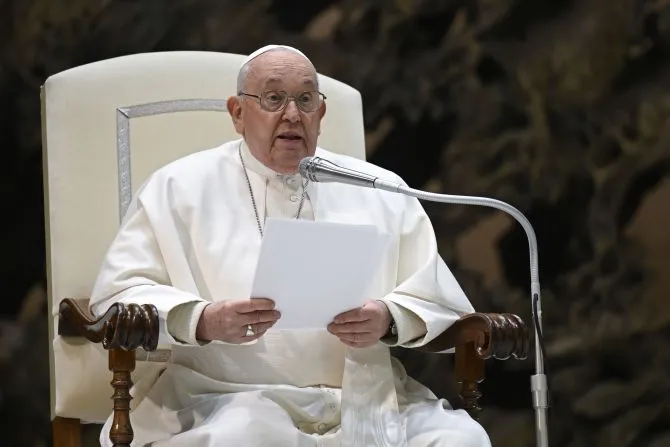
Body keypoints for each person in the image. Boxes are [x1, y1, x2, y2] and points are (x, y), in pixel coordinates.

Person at [89, 44, 492, 447]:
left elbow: (440, 299)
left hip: (366, 398)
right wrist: (203, 320)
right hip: (224, 398)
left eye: (305, 99)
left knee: (462, 439)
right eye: (273, 98)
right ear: (237, 113)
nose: (292, 114)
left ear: (321, 113)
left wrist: (388, 318)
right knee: (244, 436)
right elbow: (117, 297)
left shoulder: (379, 188)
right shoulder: (179, 188)